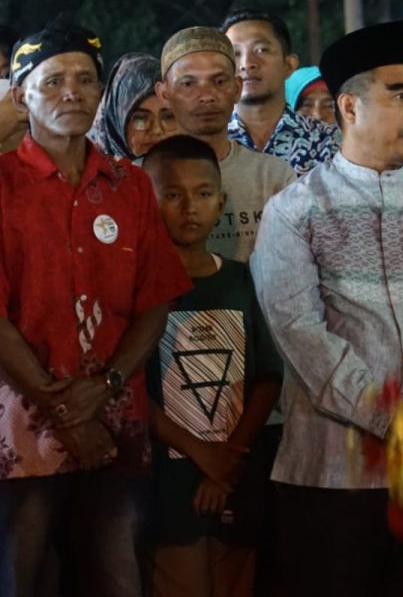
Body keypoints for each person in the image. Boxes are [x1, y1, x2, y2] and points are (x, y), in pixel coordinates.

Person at [250, 20, 403, 595]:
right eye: (398, 94)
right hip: (332, 473)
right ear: (349, 106)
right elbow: (302, 335)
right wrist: (392, 416)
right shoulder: (294, 212)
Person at [0, 17, 191, 596]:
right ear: (19, 95)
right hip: (20, 433)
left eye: (85, 80)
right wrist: (63, 410)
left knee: (116, 580)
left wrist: (103, 386)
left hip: (116, 424)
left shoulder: (129, 185)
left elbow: (154, 302)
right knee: (21, 579)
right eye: (53, 81)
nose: (72, 93)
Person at [142, 135, 282, 597]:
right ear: (146, 200)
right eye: (172, 194)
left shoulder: (241, 281)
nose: (189, 207)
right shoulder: (137, 292)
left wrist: (226, 463)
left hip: (237, 471)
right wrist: (203, 455)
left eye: (203, 194)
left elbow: (266, 379)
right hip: (168, 479)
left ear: (221, 202)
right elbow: (132, 394)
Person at [155, 27, 295, 263]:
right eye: (188, 84)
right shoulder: (141, 178)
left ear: (237, 88)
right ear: (164, 93)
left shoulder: (274, 177)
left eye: (219, 81)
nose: (207, 95)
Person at [222, 10, 339, 175]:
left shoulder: (328, 141)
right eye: (235, 54)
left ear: (289, 65)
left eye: (261, 50)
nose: (247, 64)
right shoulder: (208, 143)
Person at [90, 52, 178, 160]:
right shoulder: (83, 170)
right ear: (116, 122)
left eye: (168, 117)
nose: (157, 130)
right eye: (141, 119)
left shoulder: (195, 168)